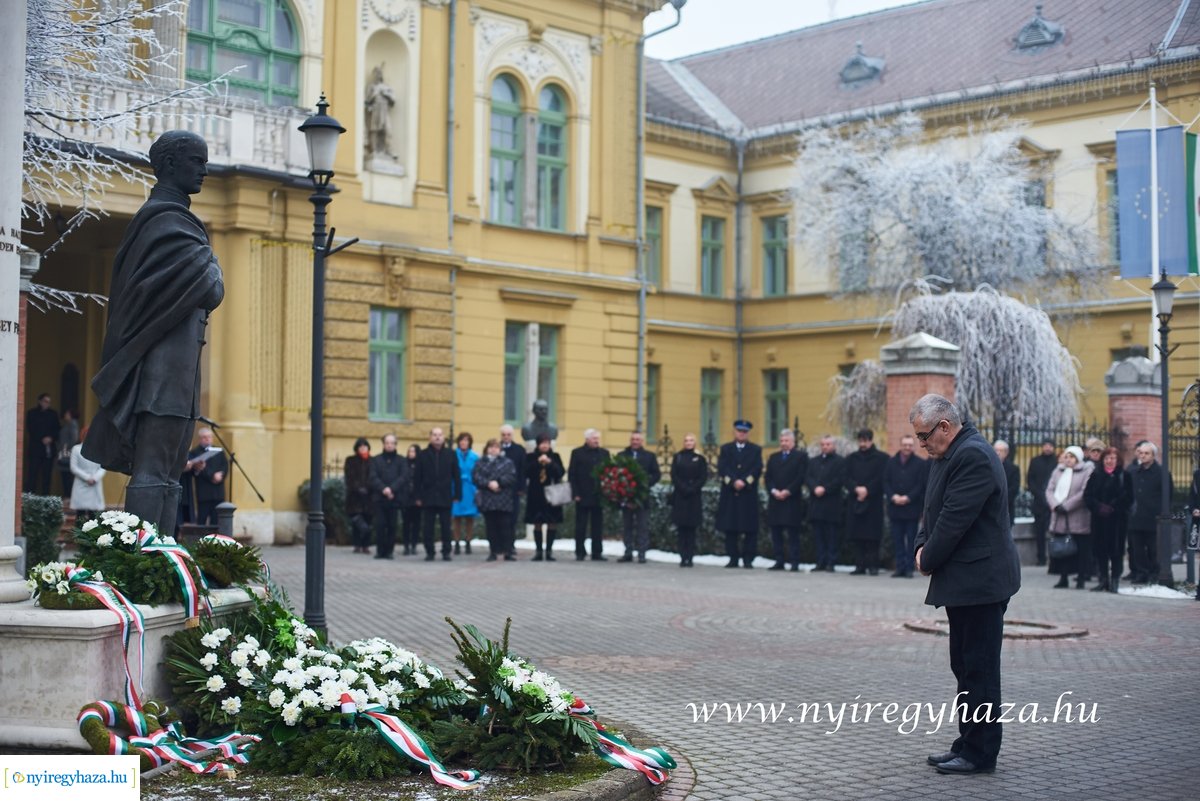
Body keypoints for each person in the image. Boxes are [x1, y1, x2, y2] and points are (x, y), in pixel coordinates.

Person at [83, 130, 224, 540]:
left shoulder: (177, 220)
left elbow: (207, 280)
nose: (205, 169)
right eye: (197, 160)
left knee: (168, 475)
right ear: (168, 163)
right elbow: (210, 286)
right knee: (154, 471)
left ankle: (162, 559)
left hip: (179, 367)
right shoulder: (164, 220)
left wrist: (208, 267)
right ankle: (143, 565)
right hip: (161, 369)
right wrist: (208, 266)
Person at [911, 394, 1021, 776]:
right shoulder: (948, 454)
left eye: (925, 436)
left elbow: (955, 520)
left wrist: (929, 556)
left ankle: (980, 752)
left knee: (980, 669)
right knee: (965, 665)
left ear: (944, 426)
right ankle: (967, 741)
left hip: (982, 583)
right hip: (966, 583)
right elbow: (931, 511)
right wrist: (920, 546)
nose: (922, 445)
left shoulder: (972, 455)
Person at [1084, 446, 1132, 593]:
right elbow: (1087, 496)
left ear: (1118, 460)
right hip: (1099, 520)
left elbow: (1129, 497)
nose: (1109, 461)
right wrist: (1098, 507)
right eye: (1107, 458)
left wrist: (1113, 507)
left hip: (1117, 521)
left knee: (1116, 552)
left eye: (1113, 458)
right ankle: (1103, 579)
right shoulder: (1096, 475)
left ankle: (1115, 580)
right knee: (1100, 552)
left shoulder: (1124, 475)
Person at [1045, 446, 1094, 589]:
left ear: (1078, 458)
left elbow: (1084, 492)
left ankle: (1081, 578)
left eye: (1072, 457)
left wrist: (1067, 506)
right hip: (1059, 516)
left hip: (1077, 516)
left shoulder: (1086, 471)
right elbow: (1049, 490)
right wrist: (1055, 505)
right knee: (1062, 549)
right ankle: (1063, 577)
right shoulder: (1058, 471)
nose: (1068, 460)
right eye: (1066, 457)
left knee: (1079, 549)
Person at [716, 420, 763, 569]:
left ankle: (748, 558)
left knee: (749, 529)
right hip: (730, 493)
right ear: (734, 432)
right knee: (731, 528)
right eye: (739, 431)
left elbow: (757, 469)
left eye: (744, 432)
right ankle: (733, 557)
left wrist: (745, 482)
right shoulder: (726, 449)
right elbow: (722, 468)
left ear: (748, 433)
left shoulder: (755, 450)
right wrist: (733, 482)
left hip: (747, 494)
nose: (741, 434)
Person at [883, 434, 929, 578]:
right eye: (905, 445)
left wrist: (908, 497)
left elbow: (921, 484)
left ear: (913, 446)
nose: (907, 447)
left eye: (910, 445)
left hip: (911, 508)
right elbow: (885, 482)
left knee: (911, 540)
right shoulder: (891, 462)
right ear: (901, 445)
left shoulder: (920, 463)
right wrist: (893, 496)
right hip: (895, 508)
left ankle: (909, 568)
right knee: (897, 539)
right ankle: (900, 567)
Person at [845, 428, 889, 576]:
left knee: (872, 537)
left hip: (873, 503)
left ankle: (873, 565)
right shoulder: (851, 458)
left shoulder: (882, 458)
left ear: (871, 440)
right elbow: (845, 477)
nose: (863, 444)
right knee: (857, 537)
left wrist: (868, 490)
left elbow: (882, 478)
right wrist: (856, 489)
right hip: (856, 501)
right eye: (861, 441)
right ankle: (860, 565)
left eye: (865, 441)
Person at [414, 427, 461, 561]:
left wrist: (457, 494)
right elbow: (417, 477)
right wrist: (417, 496)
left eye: (440, 435)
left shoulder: (450, 454)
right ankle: (430, 552)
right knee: (428, 527)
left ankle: (446, 551)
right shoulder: (422, 455)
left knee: (446, 526)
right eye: (434, 435)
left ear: (443, 437)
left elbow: (456, 475)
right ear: (430, 437)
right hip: (428, 496)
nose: (437, 437)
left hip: (445, 496)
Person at [764, 428, 807, 571]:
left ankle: (794, 561)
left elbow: (800, 477)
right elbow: (768, 477)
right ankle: (779, 560)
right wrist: (773, 490)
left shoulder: (800, 457)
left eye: (787, 441)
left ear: (793, 442)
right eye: (782, 441)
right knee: (776, 533)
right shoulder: (774, 457)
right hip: (775, 500)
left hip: (791, 500)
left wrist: (788, 491)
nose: (784, 443)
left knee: (792, 533)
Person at [1126, 441, 1167, 584]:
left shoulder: (1162, 473)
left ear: (1153, 455)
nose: (1143, 456)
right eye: (1141, 453)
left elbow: (1167, 496)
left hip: (1153, 516)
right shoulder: (1133, 472)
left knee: (1153, 548)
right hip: (1136, 516)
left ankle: (1155, 573)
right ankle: (1141, 572)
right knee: (1137, 549)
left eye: (1146, 453)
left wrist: (1162, 513)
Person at [618, 431, 662, 563]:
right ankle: (628, 551)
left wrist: (646, 484)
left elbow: (656, 474)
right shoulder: (622, 455)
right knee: (627, 525)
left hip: (642, 497)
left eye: (637, 439)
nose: (635, 442)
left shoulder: (649, 456)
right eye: (633, 439)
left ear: (642, 441)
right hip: (625, 496)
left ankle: (642, 552)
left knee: (642, 526)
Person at [473, 438, 518, 561]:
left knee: (505, 526)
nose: (494, 449)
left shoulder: (507, 462)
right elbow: (476, 477)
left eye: (496, 447)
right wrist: (488, 483)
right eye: (491, 447)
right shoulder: (480, 462)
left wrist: (499, 483)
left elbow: (512, 477)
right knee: (491, 527)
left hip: (504, 499)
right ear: (487, 449)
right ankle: (493, 551)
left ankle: (507, 551)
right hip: (488, 498)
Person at [806, 434, 845, 572]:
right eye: (823, 444)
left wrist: (825, 488)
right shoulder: (813, 461)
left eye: (828, 444)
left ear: (833, 446)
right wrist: (814, 487)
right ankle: (820, 561)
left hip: (831, 505)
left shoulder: (840, 461)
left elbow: (840, 480)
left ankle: (831, 562)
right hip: (816, 505)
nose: (825, 447)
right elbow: (808, 477)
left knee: (831, 536)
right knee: (818, 536)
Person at [568, 429, 609, 560]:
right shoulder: (577, 453)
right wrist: (575, 493)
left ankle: (597, 552)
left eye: (597, 438)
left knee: (597, 525)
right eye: (594, 438)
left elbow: (609, 474)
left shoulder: (604, 453)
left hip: (599, 495)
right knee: (581, 525)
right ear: (587, 439)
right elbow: (572, 474)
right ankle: (580, 552)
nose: (596, 441)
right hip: (582, 494)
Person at [524, 434, 565, 561]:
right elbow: (526, 472)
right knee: (537, 522)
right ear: (538, 444)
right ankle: (538, 551)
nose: (545, 445)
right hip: (536, 493)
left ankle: (549, 551)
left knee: (552, 522)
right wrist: (538, 462)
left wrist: (550, 463)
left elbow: (560, 472)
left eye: (547, 443)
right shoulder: (531, 457)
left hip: (552, 493)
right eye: (542, 443)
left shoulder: (555, 456)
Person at [669, 433, 707, 567]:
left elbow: (703, 476)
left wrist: (693, 488)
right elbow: (674, 475)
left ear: (695, 442)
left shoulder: (700, 458)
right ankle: (682, 556)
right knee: (681, 529)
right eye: (686, 440)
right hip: (680, 496)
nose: (688, 442)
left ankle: (690, 557)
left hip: (694, 497)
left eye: (691, 440)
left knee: (691, 529)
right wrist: (683, 487)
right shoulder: (678, 457)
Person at [369, 434, 409, 560]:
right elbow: (373, 477)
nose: (389, 445)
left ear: (395, 444)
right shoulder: (376, 460)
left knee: (392, 525)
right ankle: (380, 551)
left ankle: (389, 551)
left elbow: (403, 477)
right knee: (380, 525)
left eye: (392, 443)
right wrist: (384, 489)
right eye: (387, 443)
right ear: (383, 444)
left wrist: (392, 489)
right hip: (380, 498)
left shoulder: (401, 460)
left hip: (394, 498)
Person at [183, 427, 227, 526]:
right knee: (201, 521)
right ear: (200, 439)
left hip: (218, 492)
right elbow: (197, 469)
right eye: (204, 437)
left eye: (209, 437)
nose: (207, 439)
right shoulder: (194, 452)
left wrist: (221, 475)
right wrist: (212, 476)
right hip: (204, 493)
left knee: (216, 522)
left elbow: (225, 466)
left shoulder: (219, 451)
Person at [1026, 438, 1058, 567]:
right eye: (1045, 445)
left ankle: (1055, 557)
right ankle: (1041, 558)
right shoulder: (1035, 461)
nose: (1047, 448)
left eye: (1050, 445)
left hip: (1054, 502)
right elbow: (1030, 480)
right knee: (1039, 532)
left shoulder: (1057, 462)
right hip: (1039, 502)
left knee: (1055, 531)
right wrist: (1039, 494)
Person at [68, 427, 106, 524]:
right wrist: (87, 477)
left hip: (95, 483)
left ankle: (92, 538)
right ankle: (79, 537)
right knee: (80, 515)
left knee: (94, 516)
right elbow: (74, 467)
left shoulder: (99, 449)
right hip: (81, 483)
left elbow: (103, 466)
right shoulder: (76, 449)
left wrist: (95, 478)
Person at [24, 393, 59, 495]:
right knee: (32, 475)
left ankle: (45, 498)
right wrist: (41, 438)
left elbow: (57, 429)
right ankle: (29, 497)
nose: (47, 404)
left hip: (48, 451)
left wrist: (50, 438)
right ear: (39, 401)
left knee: (47, 476)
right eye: (45, 401)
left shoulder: (53, 414)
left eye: (49, 402)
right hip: (35, 449)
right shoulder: (32, 413)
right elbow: (30, 429)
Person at [499, 425, 526, 556]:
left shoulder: (519, 450)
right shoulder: (495, 448)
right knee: (499, 519)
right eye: (503, 435)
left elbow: (522, 470)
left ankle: (511, 544)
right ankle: (500, 545)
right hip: (498, 490)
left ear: (512, 435)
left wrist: (522, 488)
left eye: (508, 434)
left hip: (514, 490)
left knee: (512, 519)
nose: (506, 437)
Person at [344, 437, 373, 554]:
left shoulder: (372, 461)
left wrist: (368, 487)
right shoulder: (351, 460)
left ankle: (366, 545)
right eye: (360, 447)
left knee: (368, 522)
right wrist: (357, 488)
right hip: (355, 497)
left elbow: (373, 476)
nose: (363, 449)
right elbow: (349, 477)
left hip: (369, 497)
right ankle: (356, 544)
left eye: (365, 446)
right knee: (356, 522)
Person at [452, 432, 479, 555]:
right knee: (456, 516)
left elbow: (478, 472)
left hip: (470, 488)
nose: (464, 443)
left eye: (466, 441)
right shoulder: (453, 455)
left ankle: (468, 541)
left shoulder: (475, 456)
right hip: (456, 487)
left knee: (470, 517)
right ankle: (456, 542)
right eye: (462, 440)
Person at [364, 64, 397, 160]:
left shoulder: (386, 87)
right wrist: (374, 95)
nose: (378, 75)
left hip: (384, 109)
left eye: (379, 73)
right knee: (374, 130)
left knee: (387, 130)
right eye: (376, 73)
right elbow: (367, 100)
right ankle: (374, 150)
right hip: (375, 109)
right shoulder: (371, 87)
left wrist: (385, 94)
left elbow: (393, 100)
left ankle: (387, 150)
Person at [400, 444, 422, 555]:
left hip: (416, 498)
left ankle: (414, 544)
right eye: (409, 451)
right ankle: (406, 545)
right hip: (406, 497)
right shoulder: (404, 464)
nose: (411, 454)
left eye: (413, 451)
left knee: (416, 523)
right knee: (406, 523)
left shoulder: (421, 465)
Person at [993, 440, 1019, 526]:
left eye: (1001, 450)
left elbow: (1014, 489)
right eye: (996, 450)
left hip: (1006, 509)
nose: (998, 453)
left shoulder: (1013, 469)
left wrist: (999, 499)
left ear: (1006, 453)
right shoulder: (987, 466)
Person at [56, 408, 80, 499]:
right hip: (64, 453)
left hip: (67, 455)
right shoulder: (68, 424)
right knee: (65, 476)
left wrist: (66, 447)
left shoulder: (72, 424)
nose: (65, 415)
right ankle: (67, 495)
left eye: (66, 413)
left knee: (67, 477)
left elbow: (74, 438)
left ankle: (68, 496)